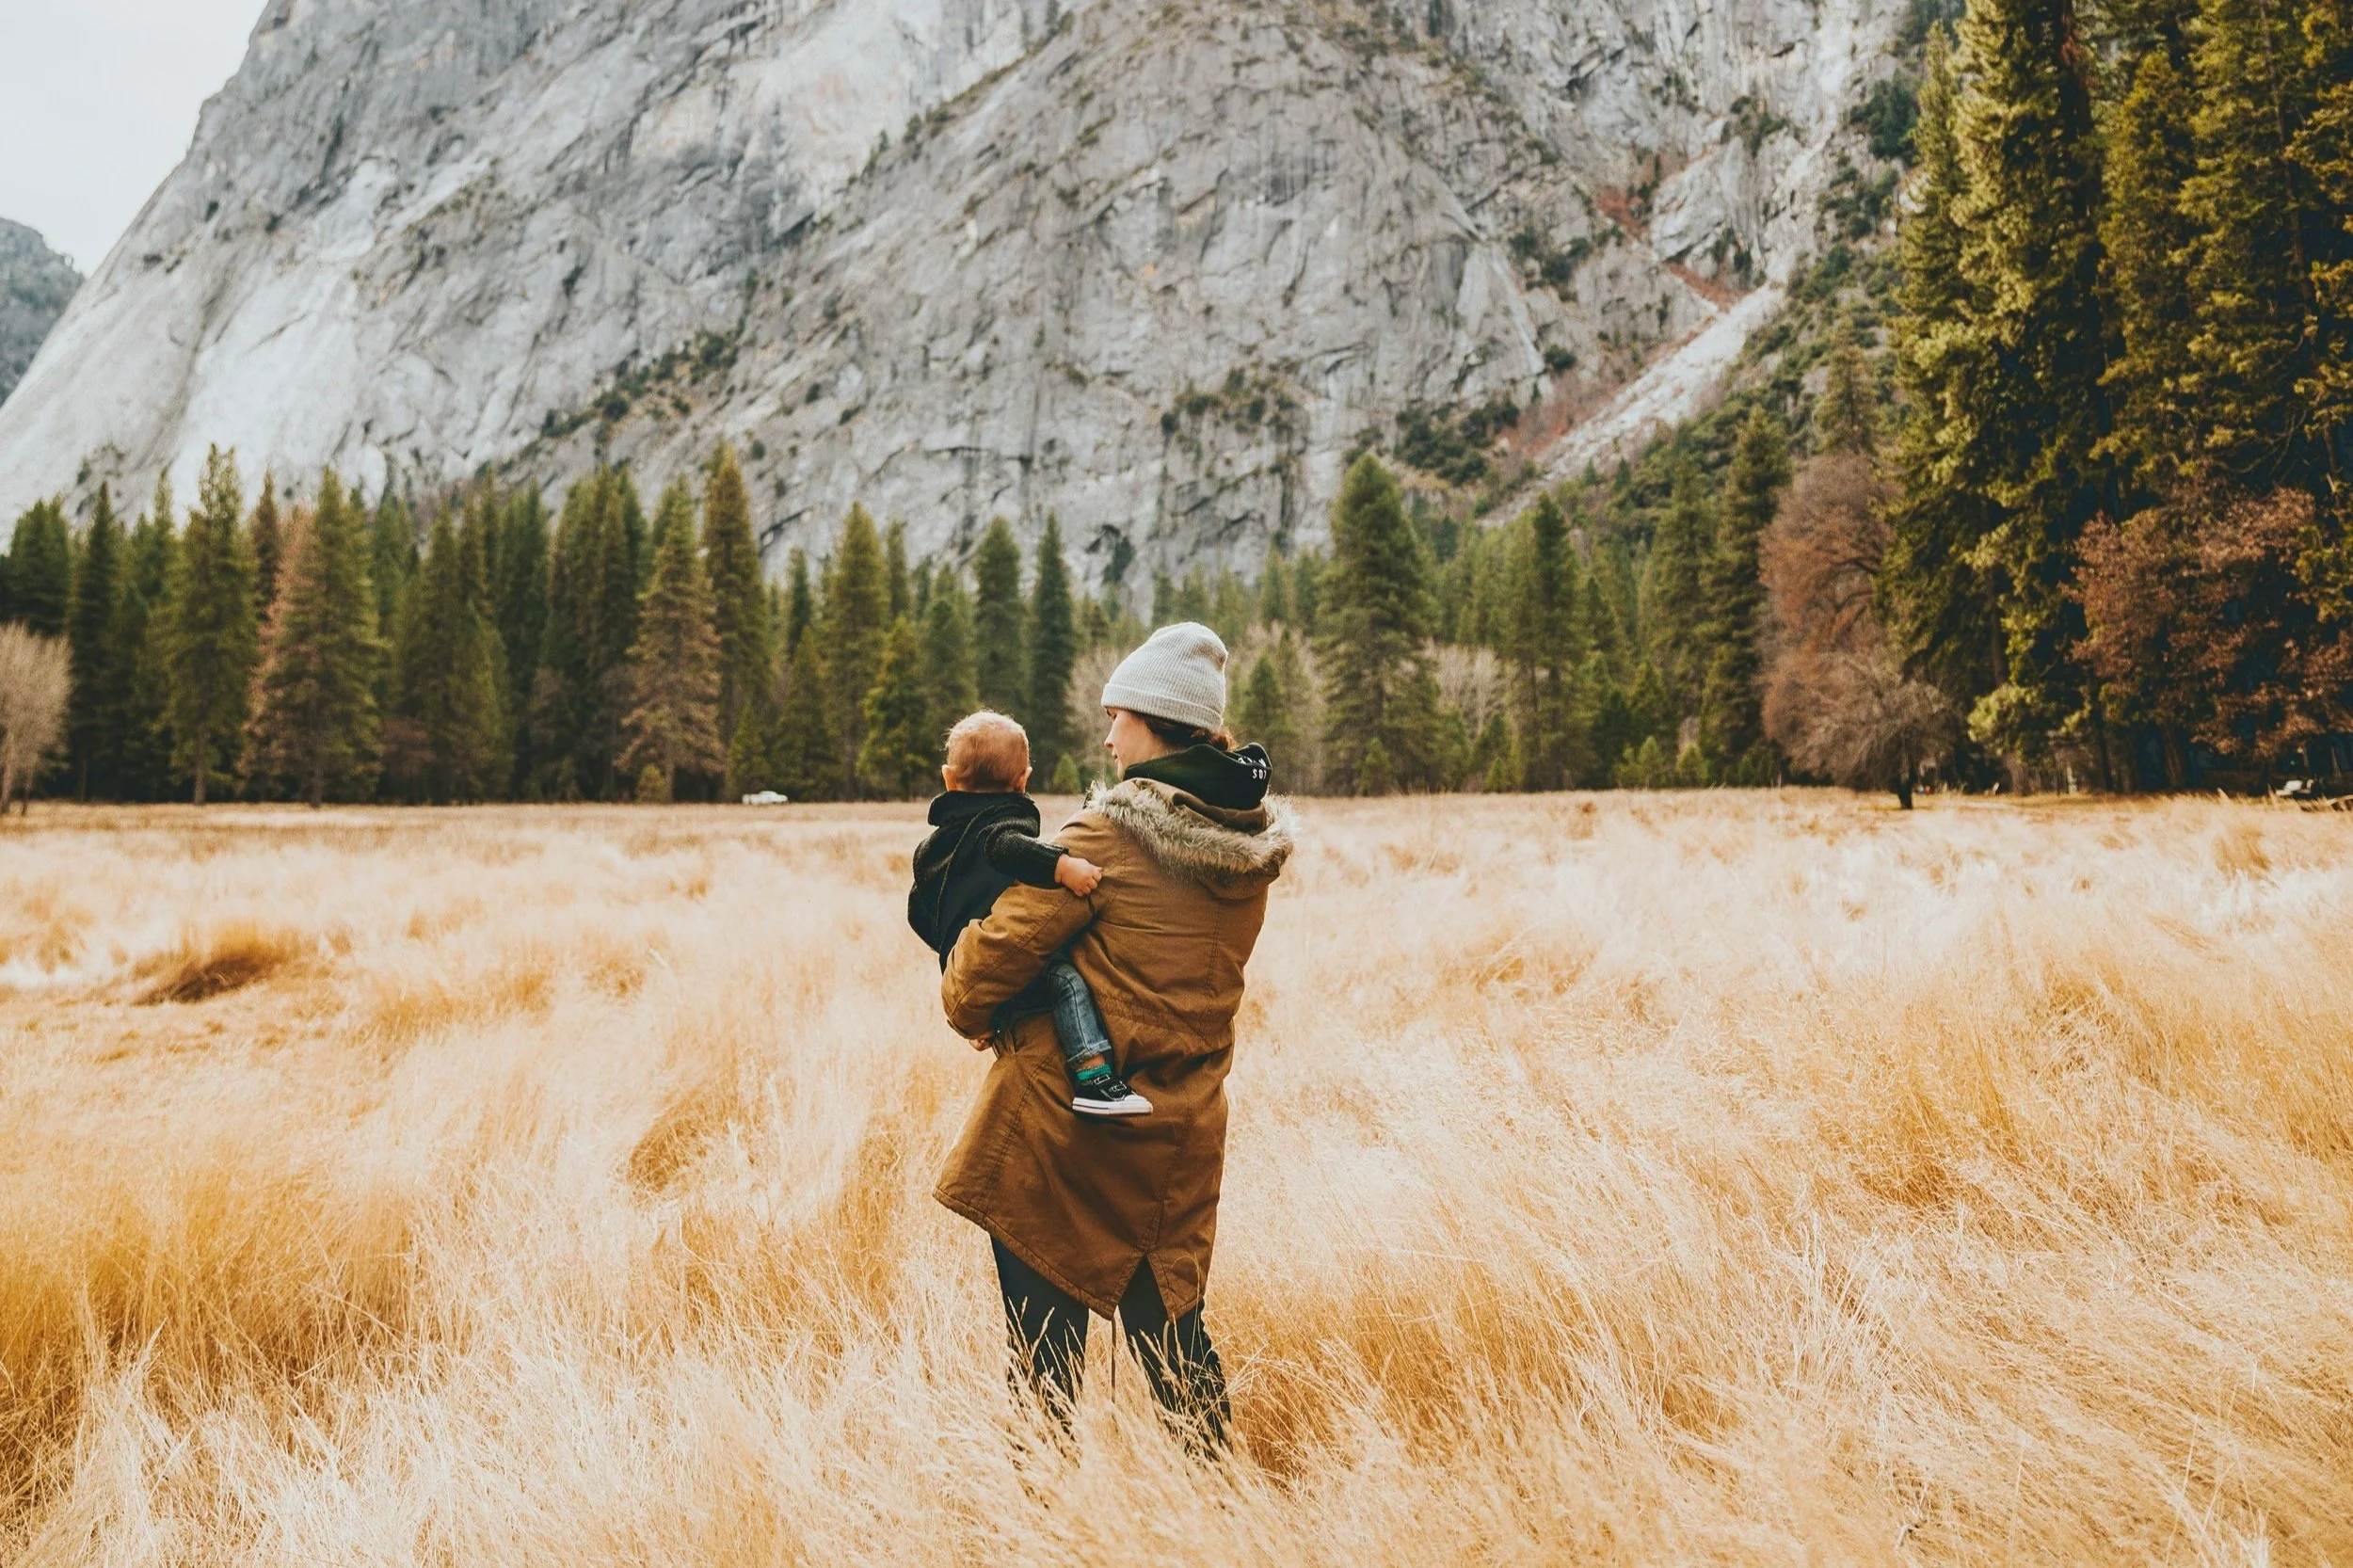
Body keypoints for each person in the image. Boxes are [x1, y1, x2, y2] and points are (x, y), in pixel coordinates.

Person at [934, 622, 1289, 1452]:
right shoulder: (1245, 847)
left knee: (1043, 1370)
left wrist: (969, 995)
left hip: (1065, 1137)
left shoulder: (1106, 837)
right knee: (1175, 1350)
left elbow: (985, 967)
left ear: (1156, 723)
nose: (1107, 735)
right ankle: (1216, 1517)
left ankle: (1045, 1526)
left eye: (1118, 716)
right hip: (1180, 1133)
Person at [907, 709, 1151, 1117]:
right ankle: (1094, 1077)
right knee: (1066, 982)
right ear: (1023, 780)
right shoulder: (997, 825)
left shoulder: (935, 848)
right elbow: (1004, 847)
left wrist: (952, 955)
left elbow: (918, 912)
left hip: (966, 964)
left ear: (948, 779)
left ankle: (993, 1017)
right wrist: (1062, 867)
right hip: (1003, 963)